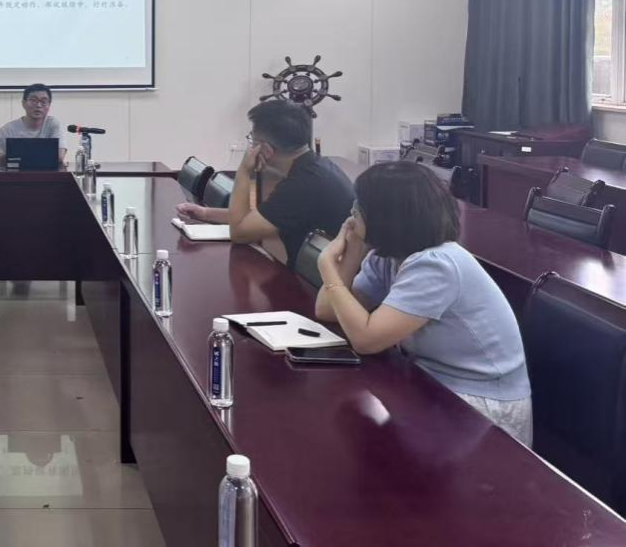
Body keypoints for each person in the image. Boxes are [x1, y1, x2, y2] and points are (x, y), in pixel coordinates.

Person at [315, 161, 532, 445]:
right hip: (431, 382)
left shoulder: (436, 265)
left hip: (480, 404)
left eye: (359, 208)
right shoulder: (388, 257)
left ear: (386, 217)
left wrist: (328, 267)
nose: (352, 215)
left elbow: (366, 340)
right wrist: (352, 254)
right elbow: (327, 310)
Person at [176, 101, 354, 266]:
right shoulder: (314, 167)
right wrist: (206, 213)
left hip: (314, 287)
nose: (250, 148)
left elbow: (239, 233)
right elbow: (258, 218)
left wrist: (244, 171)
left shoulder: (301, 186)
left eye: (252, 141)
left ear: (266, 150)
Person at [0, 83, 66, 166]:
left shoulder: (52, 124)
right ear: (23, 103)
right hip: (15, 173)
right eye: (33, 100)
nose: (38, 105)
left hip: (47, 173)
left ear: (49, 105)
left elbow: (59, 157)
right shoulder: (7, 130)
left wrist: (19, 151)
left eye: (43, 101)